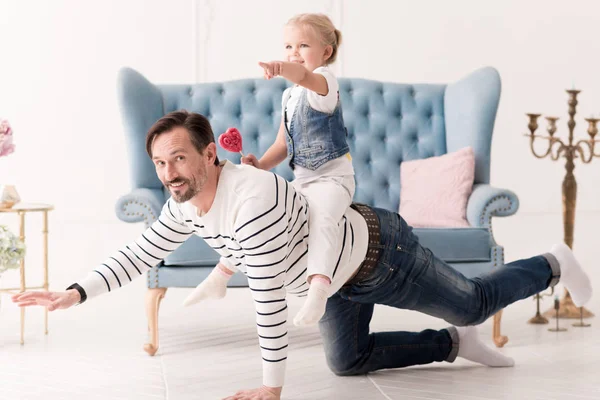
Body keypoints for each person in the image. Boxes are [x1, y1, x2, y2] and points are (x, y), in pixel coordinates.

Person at [13, 111, 592, 400]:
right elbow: (141, 250)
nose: (170, 175)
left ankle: (551, 263)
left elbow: (265, 292)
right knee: (348, 361)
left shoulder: (251, 196)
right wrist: (75, 291)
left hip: (378, 254)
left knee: (470, 303)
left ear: (211, 154)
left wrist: (272, 384)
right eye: (161, 164)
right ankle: (451, 347)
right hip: (334, 281)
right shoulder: (185, 204)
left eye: (179, 160)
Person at [186, 13, 355, 327]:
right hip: (303, 179)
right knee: (263, 214)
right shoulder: (289, 95)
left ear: (325, 52)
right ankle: (221, 275)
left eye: (303, 45)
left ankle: (318, 290)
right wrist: (261, 164)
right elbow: (283, 142)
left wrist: (280, 68)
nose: (293, 51)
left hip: (332, 178)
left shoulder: (324, 82)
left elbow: (303, 77)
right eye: (288, 45)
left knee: (323, 219)